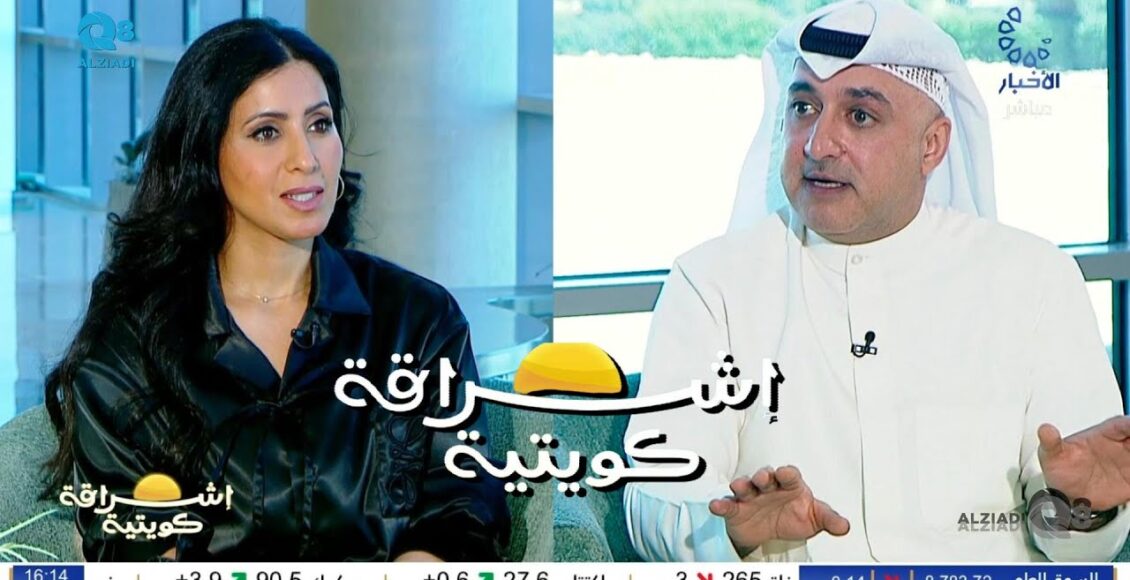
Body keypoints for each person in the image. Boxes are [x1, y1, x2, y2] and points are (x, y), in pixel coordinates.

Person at [624, 0, 1130, 562]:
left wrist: (1086, 507)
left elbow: (1078, 547)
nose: (817, 144)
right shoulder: (711, 284)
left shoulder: (1034, 280)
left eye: (860, 116)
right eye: (803, 108)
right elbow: (654, 497)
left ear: (931, 145)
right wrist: (731, 529)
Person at [42, 18, 509, 561]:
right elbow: (130, 546)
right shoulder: (130, 340)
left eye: (319, 124)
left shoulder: (419, 320)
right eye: (267, 132)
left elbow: (463, 509)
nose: (306, 158)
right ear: (206, 155)